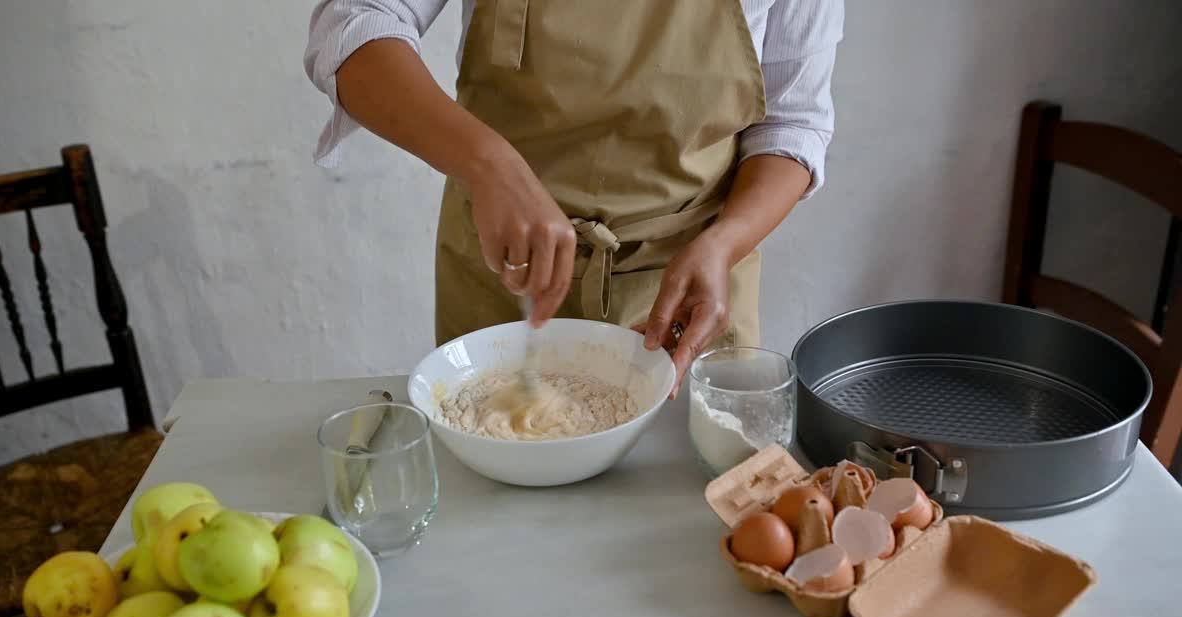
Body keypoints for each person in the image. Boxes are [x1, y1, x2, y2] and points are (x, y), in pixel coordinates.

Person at [305, 0, 843, 397]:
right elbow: (353, 26)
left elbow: (792, 125)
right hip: (507, 277)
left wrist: (726, 243)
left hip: (683, 295)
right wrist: (488, 164)